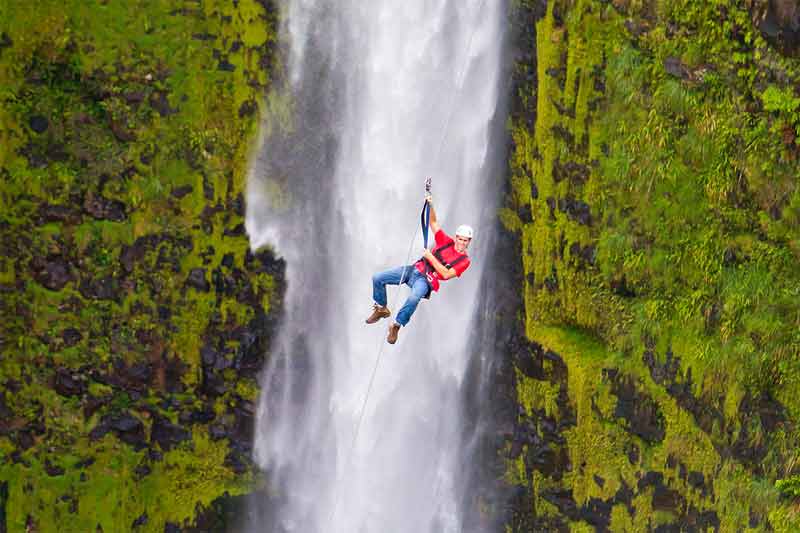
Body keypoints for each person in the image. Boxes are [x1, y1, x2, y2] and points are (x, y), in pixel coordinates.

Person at [366, 193, 473, 344]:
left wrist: (430, 257)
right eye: (460, 239)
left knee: (414, 297)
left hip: (426, 281)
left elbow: (446, 274)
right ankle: (381, 308)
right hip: (414, 270)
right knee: (378, 278)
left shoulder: (464, 261)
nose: (462, 243)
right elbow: (433, 222)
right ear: (456, 237)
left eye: (465, 240)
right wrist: (430, 205)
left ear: (469, 241)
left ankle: (396, 325)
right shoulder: (446, 241)